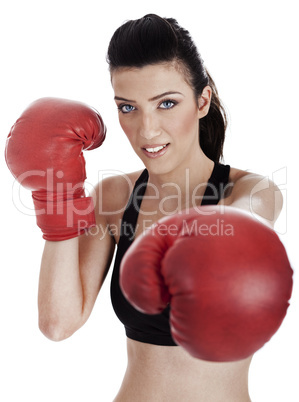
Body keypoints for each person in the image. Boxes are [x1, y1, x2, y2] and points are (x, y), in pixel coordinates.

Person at [5, 13, 292, 402]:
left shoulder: (249, 189)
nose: (147, 130)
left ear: (202, 100)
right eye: (128, 108)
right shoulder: (114, 199)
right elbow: (58, 324)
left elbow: (244, 221)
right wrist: (56, 199)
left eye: (167, 103)